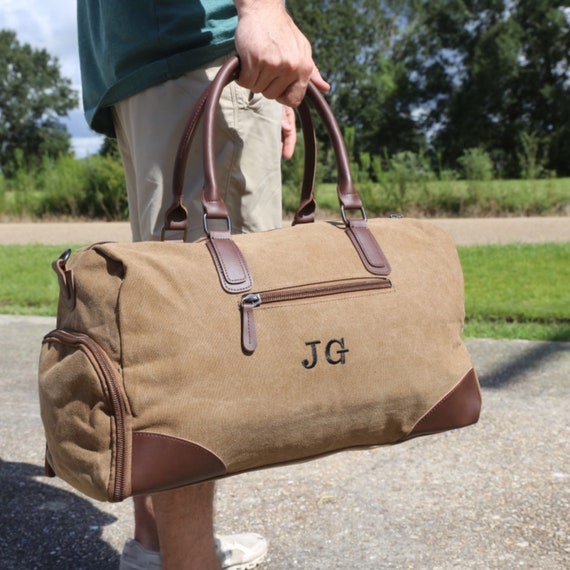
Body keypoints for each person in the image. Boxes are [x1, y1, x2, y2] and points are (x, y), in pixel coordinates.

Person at [76, 1, 329, 568]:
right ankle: (189, 561)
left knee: (162, 322)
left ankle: (158, 542)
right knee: (206, 335)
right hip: (198, 47)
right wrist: (263, 10)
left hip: (143, 57)